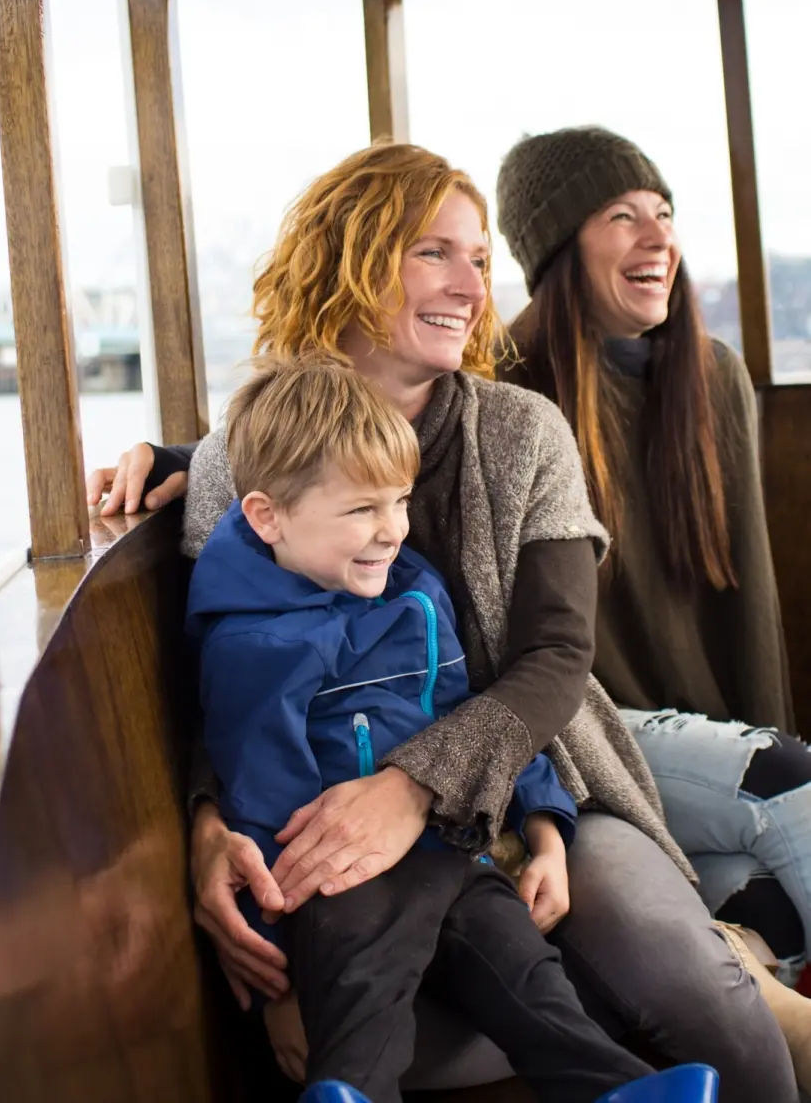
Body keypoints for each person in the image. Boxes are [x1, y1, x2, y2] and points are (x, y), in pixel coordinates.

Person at [86, 141, 798, 1103]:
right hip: (325, 819)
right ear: (352, 261)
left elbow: (553, 657)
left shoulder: (520, 431)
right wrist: (209, 827)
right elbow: (230, 681)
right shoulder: (234, 457)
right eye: (435, 253)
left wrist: (433, 792)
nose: (472, 284)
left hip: (548, 778)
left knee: (700, 992)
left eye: (477, 257)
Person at [186, 355, 662, 1103]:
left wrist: (544, 822)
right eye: (360, 511)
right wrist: (278, 990)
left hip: (449, 853)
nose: (390, 531)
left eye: (399, 502)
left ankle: (620, 1090)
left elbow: (469, 716)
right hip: (338, 884)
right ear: (266, 516)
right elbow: (258, 804)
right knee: (365, 993)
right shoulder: (255, 645)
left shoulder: (413, 592)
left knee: (529, 977)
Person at [495, 125, 811, 990]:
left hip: (709, 753)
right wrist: (185, 465)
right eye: (622, 214)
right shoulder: (501, 390)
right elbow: (348, 425)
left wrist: (767, 733)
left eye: (665, 213)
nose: (658, 236)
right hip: (591, 738)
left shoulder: (710, 376)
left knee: (768, 922)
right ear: (560, 247)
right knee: (796, 787)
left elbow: (749, 610)